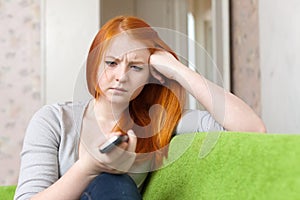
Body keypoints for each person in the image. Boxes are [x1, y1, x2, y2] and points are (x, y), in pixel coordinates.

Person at [14, 15, 266, 200]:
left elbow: (252, 129)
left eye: (136, 67)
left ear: (150, 76)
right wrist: (87, 168)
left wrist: (178, 70)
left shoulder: (157, 123)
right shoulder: (53, 120)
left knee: (115, 185)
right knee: (112, 182)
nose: (121, 76)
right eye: (111, 63)